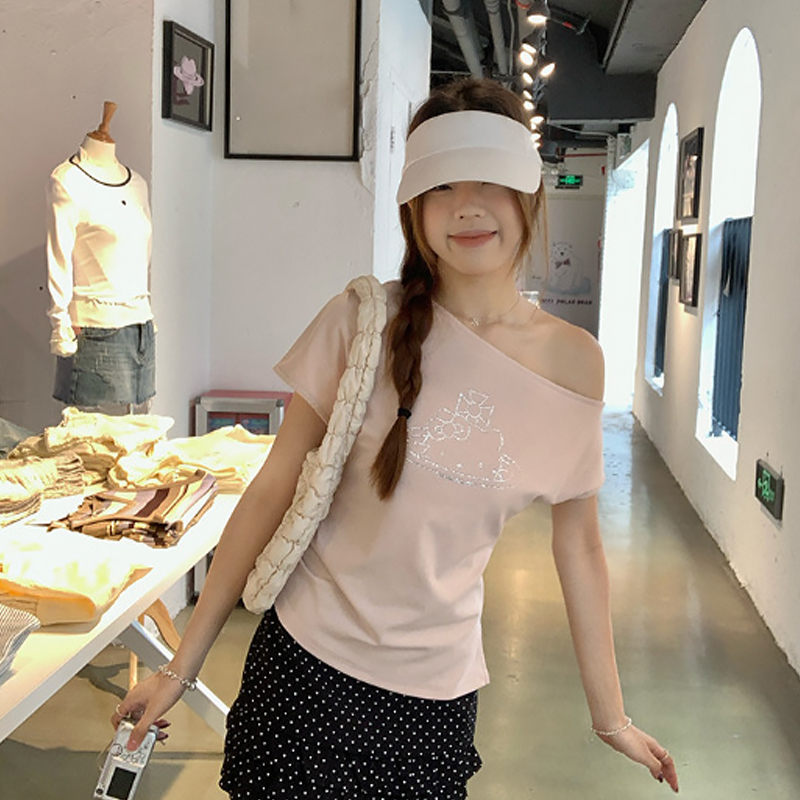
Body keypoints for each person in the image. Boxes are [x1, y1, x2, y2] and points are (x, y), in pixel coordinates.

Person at [113, 78, 679, 797]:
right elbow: (271, 489)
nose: (466, 205)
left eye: (489, 181)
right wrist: (179, 666)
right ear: (414, 207)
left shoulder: (574, 363)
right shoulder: (360, 323)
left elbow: (580, 545)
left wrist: (611, 718)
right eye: (441, 186)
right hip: (303, 678)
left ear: (529, 194)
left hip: (433, 705)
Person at [46, 101, 156, 411]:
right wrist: (59, 321)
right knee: (89, 436)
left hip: (142, 327)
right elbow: (58, 255)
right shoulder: (68, 180)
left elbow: (142, 254)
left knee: (137, 433)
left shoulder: (137, 183)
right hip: (95, 329)